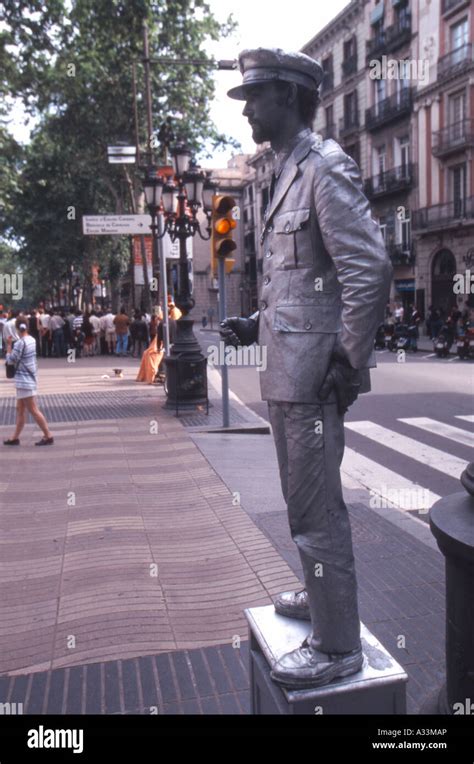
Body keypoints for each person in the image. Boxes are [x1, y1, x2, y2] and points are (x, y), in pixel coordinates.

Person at [220, 48, 392, 689]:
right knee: (302, 504)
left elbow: (367, 270)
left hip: (315, 376)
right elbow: (301, 287)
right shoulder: (288, 172)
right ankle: (319, 598)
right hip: (290, 372)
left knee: (317, 511)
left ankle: (337, 645)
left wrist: (347, 360)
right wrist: (255, 325)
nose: (248, 113)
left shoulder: (324, 169)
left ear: (288, 98)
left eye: (255, 99)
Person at [3, 316, 54, 446]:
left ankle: (48, 435)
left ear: (17, 329)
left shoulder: (20, 343)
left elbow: (10, 360)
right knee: (20, 409)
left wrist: (9, 347)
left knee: (33, 409)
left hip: (25, 380)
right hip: (29, 378)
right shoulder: (32, 340)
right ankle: (15, 438)